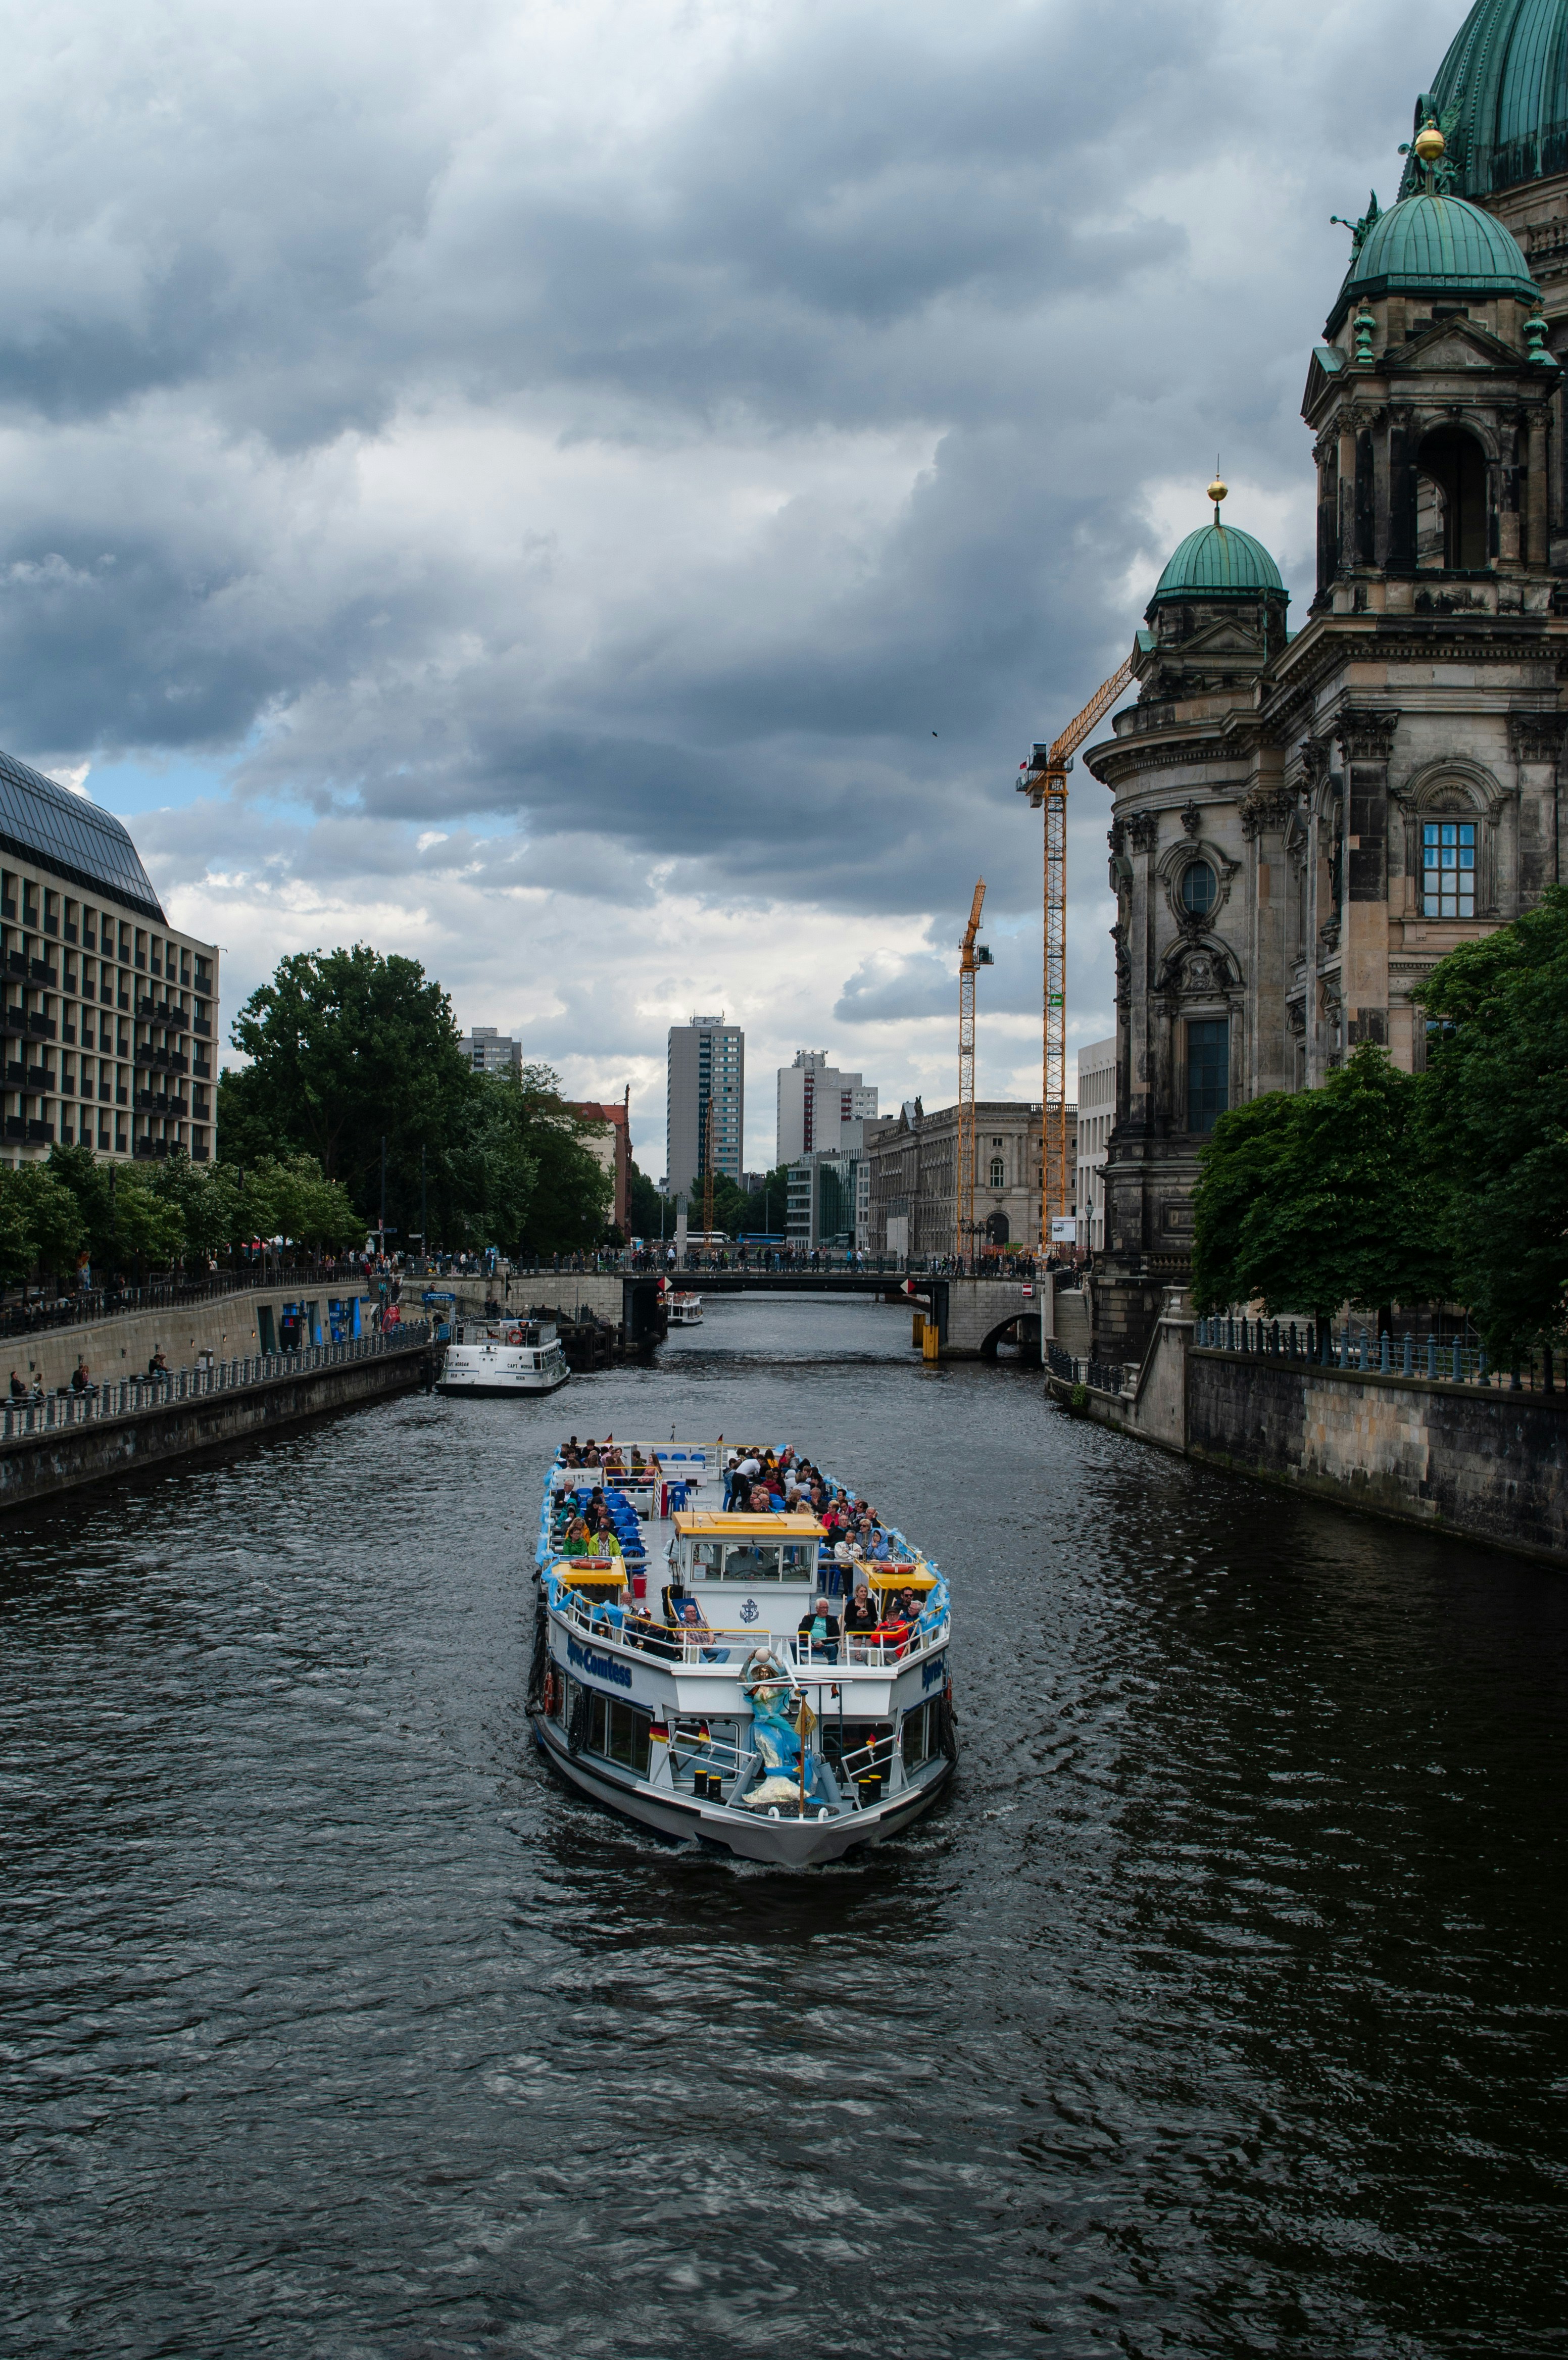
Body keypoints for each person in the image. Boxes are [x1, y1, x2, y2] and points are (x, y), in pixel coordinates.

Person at [797, 1596, 841, 1664]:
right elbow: (801, 1633)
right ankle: (799, 1664)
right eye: (823, 1608)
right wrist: (808, 1642)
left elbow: (836, 1637)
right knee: (793, 1646)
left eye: (827, 1608)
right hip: (809, 1644)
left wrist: (823, 1642)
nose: (825, 1610)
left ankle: (833, 1669)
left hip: (824, 1645)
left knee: (832, 1648)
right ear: (817, 1609)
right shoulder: (808, 1618)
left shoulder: (832, 1620)